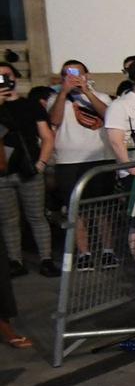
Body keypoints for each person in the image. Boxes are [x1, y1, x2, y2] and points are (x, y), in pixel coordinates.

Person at [47, 57, 113, 268]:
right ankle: (84, 253)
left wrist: (87, 92)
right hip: (68, 162)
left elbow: (108, 115)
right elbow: (54, 121)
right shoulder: (54, 99)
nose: (73, 78)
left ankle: (108, 250)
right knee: (77, 209)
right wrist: (64, 93)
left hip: (99, 158)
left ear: (87, 75)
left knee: (103, 208)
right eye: (68, 74)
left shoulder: (101, 97)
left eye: (78, 73)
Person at [0, 60, 55, 275]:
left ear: (15, 77)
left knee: (37, 216)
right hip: (3, 173)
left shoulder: (29, 105)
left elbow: (47, 136)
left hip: (29, 170)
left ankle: (46, 259)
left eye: (7, 75)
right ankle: (15, 261)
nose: (4, 80)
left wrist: (41, 163)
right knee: (8, 220)